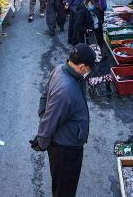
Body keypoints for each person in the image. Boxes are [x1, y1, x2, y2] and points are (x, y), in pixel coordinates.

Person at [32, 44, 95, 197]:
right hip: (66, 150)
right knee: (65, 190)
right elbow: (50, 120)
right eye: (89, 69)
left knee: (63, 185)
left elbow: (44, 97)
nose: (89, 72)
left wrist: (43, 113)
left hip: (66, 142)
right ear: (81, 67)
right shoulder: (66, 90)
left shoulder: (60, 68)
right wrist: (42, 142)